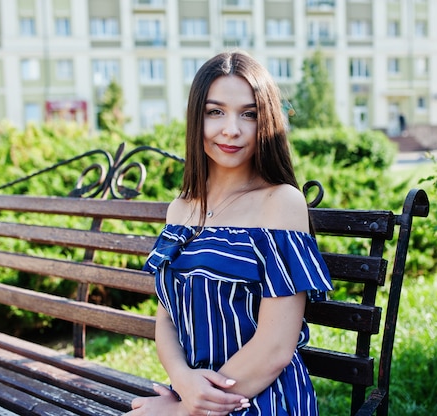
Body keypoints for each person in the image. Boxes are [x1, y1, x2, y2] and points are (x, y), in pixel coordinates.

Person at [127, 50, 333, 416]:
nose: (231, 129)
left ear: (266, 121)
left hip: (261, 400)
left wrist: (181, 412)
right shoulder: (181, 209)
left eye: (249, 114)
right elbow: (166, 318)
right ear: (197, 119)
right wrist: (183, 381)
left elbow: (275, 348)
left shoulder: (280, 203)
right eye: (215, 112)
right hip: (193, 396)